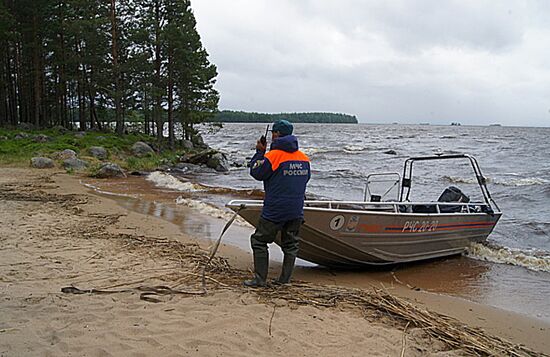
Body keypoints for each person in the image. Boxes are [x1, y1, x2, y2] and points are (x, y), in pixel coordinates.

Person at [243, 119, 311, 287]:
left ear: (276, 135)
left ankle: (260, 279)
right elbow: (306, 179)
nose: (272, 134)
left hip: (275, 209)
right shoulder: (304, 158)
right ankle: (285, 280)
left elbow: (256, 172)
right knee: (291, 244)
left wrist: (260, 152)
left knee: (259, 241)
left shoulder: (272, 156)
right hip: (296, 209)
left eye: (273, 132)